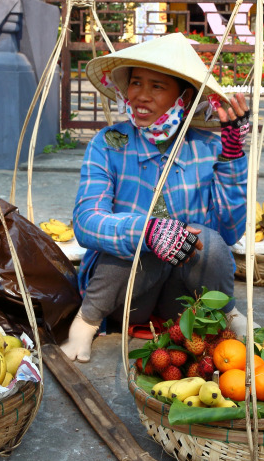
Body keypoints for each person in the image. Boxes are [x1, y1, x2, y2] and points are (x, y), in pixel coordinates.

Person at [60, 33, 251, 362]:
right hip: (128, 294)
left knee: (208, 240)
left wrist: (232, 158)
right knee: (133, 239)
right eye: (136, 83)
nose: (141, 97)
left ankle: (229, 317)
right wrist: (147, 232)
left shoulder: (207, 147)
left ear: (185, 97)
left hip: (184, 298)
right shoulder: (108, 144)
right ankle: (85, 324)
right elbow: (86, 222)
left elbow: (229, 234)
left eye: (157, 86)